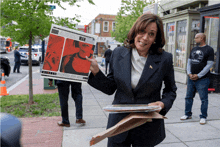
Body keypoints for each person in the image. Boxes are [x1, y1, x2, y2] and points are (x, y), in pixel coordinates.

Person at [86, 14, 177, 147]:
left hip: (147, 126)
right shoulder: (118, 53)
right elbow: (110, 87)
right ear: (135, 31)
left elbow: (171, 90)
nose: (145, 38)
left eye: (151, 34)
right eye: (142, 31)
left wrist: (163, 104)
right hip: (119, 125)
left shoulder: (165, 59)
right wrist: (96, 71)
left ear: (156, 38)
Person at [180, 33, 214, 125]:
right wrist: (189, 73)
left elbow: (209, 64)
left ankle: (203, 116)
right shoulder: (194, 49)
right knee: (188, 97)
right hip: (191, 78)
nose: (195, 39)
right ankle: (187, 114)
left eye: (196, 38)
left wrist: (199, 75)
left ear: (202, 38)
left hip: (203, 79)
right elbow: (189, 62)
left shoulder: (209, 49)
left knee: (203, 99)